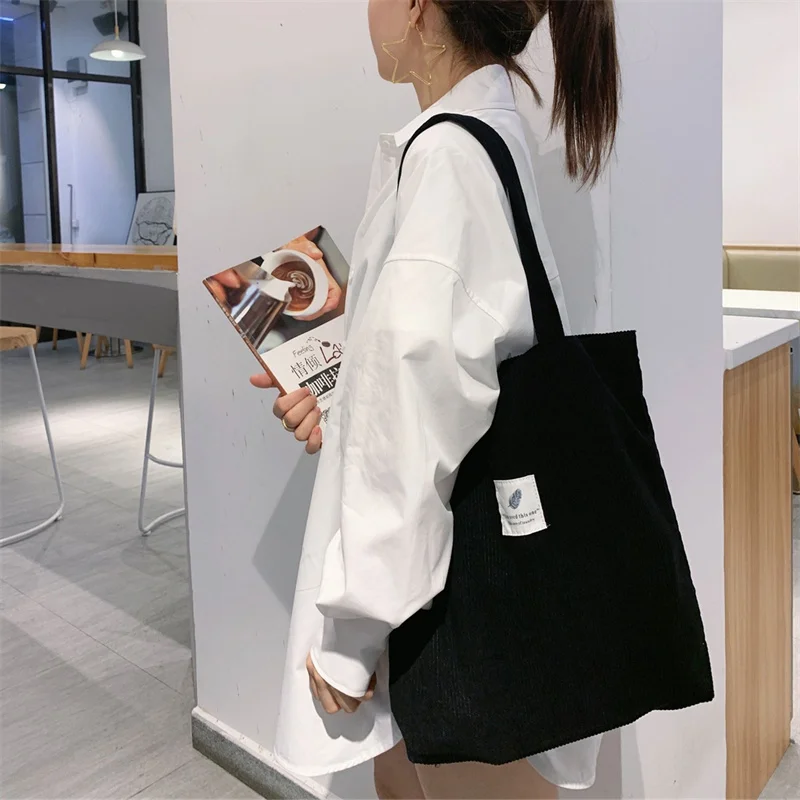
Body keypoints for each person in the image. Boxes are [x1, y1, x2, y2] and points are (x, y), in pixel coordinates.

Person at [251, 1, 620, 797]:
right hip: (440, 578)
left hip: (438, 602)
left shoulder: (449, 157)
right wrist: (345, 401)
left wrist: (350, 637)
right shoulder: (477, 139)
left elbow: (416, 418)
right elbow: (436, 377)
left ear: (418, 4)